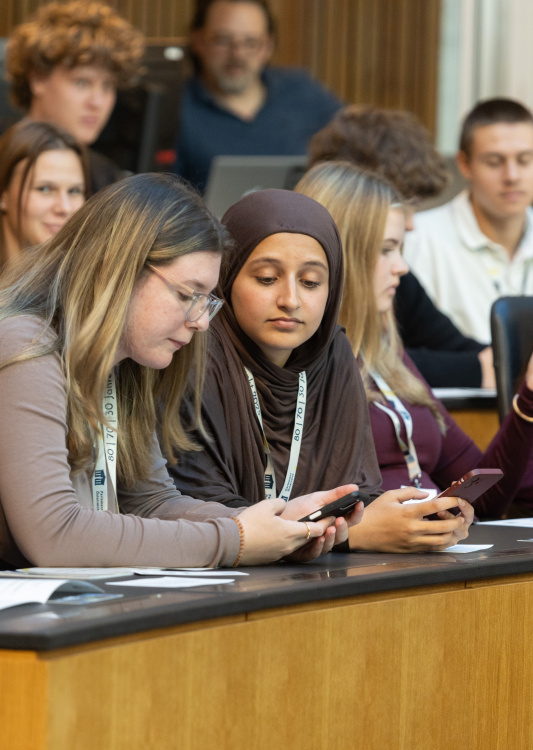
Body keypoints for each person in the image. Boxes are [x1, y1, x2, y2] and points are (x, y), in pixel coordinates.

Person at [0, 173, 364, 570]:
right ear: (115, 269)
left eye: (206, 301)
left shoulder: (125, 366)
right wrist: (234, 540)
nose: (201, 322)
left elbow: (152, 501)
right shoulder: (27, 344)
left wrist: (278, 527)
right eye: (187, 295)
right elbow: (56, 535)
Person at [170, 187, 474, 552]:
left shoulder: (333, 354)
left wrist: (411, 520)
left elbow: (356, 495)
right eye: (267, 278)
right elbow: (194, 510)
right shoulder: (190, 357)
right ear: (227, 277)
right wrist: (351, 535)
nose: (291, 300)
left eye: (311, 282)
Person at [296, 161, 533, 516]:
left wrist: (528, 397)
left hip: (435, 552)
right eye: (387, 248)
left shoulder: (388, 354)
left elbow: (484, 495)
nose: (402, 267)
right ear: (344, 252)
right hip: (367, 564)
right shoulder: (297, 362)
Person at [307, 104, 493, 389]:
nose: (411, 224)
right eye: (400, 204)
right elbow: (358, 356)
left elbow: (455, 345)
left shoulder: (395, 274)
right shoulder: (307, 283)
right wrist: (475, 370)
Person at [175, 0, 342, 192]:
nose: (237, 54)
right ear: (198, 41)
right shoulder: (173, 108)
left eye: (251, 43)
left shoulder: (302, 91)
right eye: (222, 40)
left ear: (268, 46)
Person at [404, 98, 533, 343]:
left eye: (525, 160)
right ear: (464, 164)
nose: (512, 176)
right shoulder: (419, 238)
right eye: (494, 162)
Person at [5, 0, 144, 193]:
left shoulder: (106, 176)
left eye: (107, 85)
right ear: (38, 80)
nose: (97, 102)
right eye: (82, 82)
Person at [0, 119, 88, 268]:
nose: (64, 208)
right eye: (45, 189)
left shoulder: (86, 285)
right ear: (3, 194)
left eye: (74, 191)